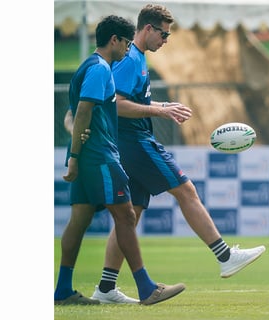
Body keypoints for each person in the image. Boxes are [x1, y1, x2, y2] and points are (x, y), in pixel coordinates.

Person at [65, 4, 266, 304]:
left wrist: (161, 106)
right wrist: (159, 111)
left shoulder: (138, 58)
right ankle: (225, 256)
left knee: (130, 217)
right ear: (147, 29)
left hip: (127, 143)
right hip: (133, 141)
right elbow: (115, 104)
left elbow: (130, 99)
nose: (166, 40)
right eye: (163, 34)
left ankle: (106, 287)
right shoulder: (129, 59)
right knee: (185, 190)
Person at [54, 15, 185, 306]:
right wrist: (75, 156)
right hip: (100, 156)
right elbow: (84, 110)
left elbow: (73, 114)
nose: (128, 49)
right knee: (126, 216)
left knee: (79, 220)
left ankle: (63, 289)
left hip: (90, 155)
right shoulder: (101, 69)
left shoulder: (89, 66)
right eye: (126, 43)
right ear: (114, 39)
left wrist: (74, 147)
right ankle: (146, 288)